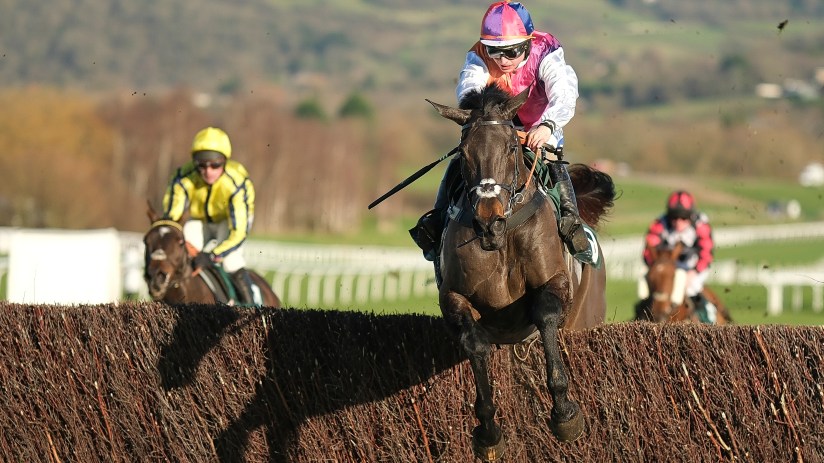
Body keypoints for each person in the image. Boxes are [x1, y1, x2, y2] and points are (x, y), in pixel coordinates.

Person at [412, 0, 588, 261]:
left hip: (540, 127)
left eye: (511, 52)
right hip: (495, 129)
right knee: (464, 158)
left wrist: (547, 126)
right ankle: (437, 221)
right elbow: (469, 89)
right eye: (494, 51)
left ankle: (571, 222)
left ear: (527, 43)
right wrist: (482, 121)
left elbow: (564, 94)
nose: (502, 60)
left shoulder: (546, 51)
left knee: (552, 161)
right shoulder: (478, 56)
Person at [162, 127, 260, 305]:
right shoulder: (183, 177)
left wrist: (212, 256)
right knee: (181, 251)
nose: (208, 171)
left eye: (215, 165)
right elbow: (172, 218)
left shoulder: (237, 183)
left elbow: (238, 233)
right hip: (200, 222)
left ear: (225, 162)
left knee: (230, 261)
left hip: (230, 225)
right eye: (202, 165)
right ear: (194, 163)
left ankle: (251, 308)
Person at [643, 190, 717, 323]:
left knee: (692, 287)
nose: (678, 221)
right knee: (648, 290)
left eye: (683, 218)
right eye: (674, 217)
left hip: (693, 267)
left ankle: (706, 317)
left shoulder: (700, 225)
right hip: (668, 268)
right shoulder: (659, 224)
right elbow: (648, 250)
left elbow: (707, 253)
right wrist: (656, 267)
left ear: (690, 215)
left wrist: (694, 272)